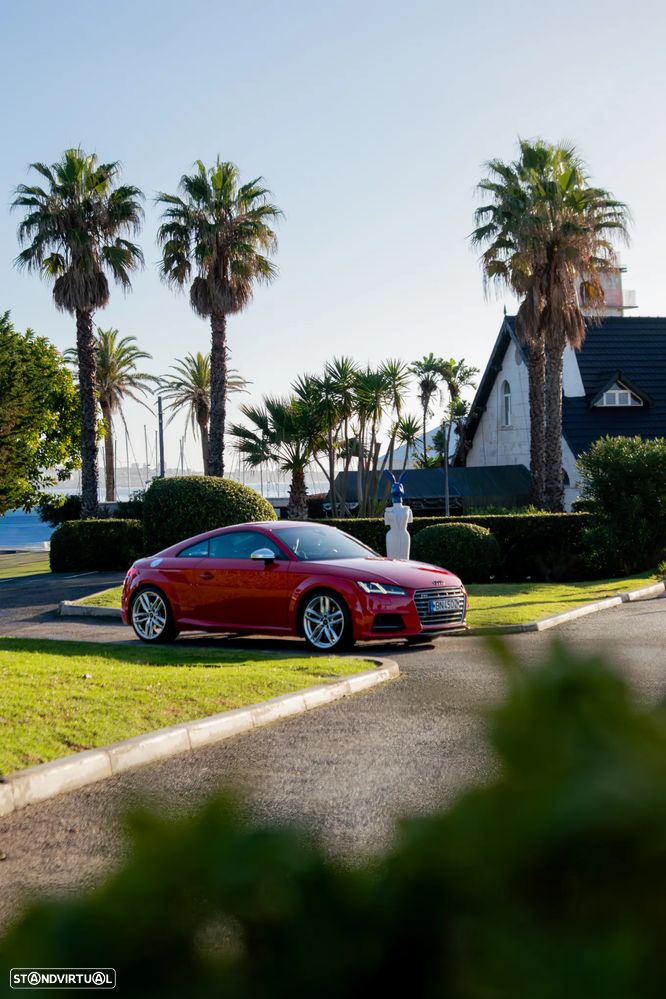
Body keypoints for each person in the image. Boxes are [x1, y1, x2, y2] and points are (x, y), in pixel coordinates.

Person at [383, 471, 413, 559]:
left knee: (404, 559)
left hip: (404, 536)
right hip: (392, 536)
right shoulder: (388, 511)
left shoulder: (407, 510)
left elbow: (409, 520)